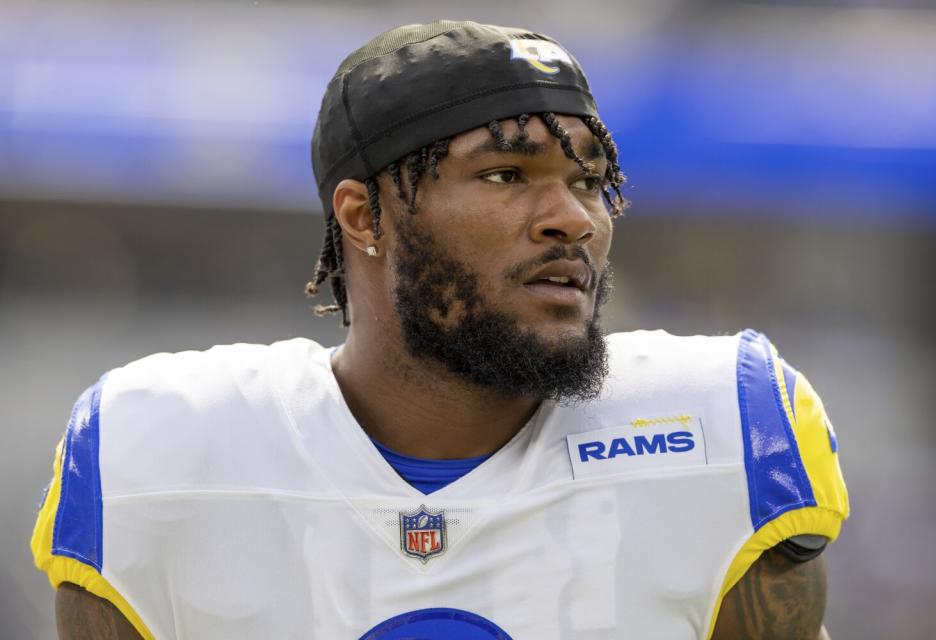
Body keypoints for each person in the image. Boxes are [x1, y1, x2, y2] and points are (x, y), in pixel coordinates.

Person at [31, 20, 849, 640]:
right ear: (364, 214)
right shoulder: (156, 450)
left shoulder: (727, 430)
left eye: (591, 181)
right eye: (505, 174)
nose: (573, 219)